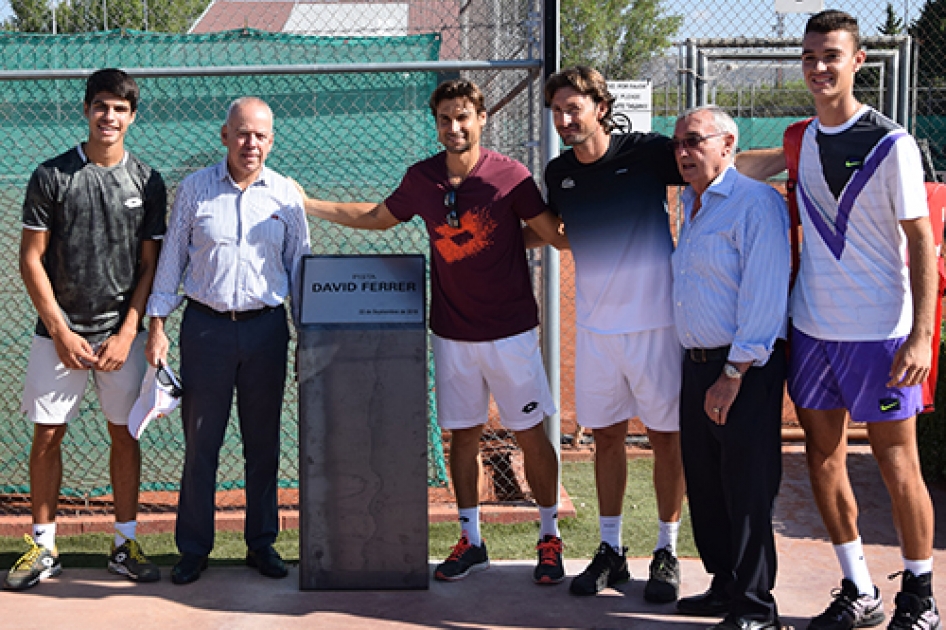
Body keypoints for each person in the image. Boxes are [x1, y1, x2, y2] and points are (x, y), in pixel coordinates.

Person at [298, 79, 569, 585]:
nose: (454, 127)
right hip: (451, 334)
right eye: (445, 118)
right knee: (462, 438)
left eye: (463, 116)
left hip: (511, 332)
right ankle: (472, 539)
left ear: (481, 118)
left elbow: (557, 234)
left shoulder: (511, 177)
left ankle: (549, 536)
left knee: (531, 434)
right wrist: (308, 203)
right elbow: (379, 218)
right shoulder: (421, 178)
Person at [790, 11, 940, 630]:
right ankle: (859, 588)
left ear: (857, 62)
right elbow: (744, 163)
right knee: (821, 458)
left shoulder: (892, 142)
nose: (819, 67)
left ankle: (920, 595)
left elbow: (922, 245)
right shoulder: (799, 139)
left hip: (879, 336)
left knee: (896, 463)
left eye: (831, 55)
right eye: (809, 57)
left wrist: (922, 334)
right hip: (811, 331)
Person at [4, 68, 166, 590]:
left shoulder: (147, 180)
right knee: (47, 436)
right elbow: (32, 259)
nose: (109, 116)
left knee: (125, 435)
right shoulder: (52, 175)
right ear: (87, 110)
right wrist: (59, 330)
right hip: (57, 336)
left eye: (120, 108)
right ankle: (44, 547)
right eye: (101, 106)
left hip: (123, 337)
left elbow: (150, 267)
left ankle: (124, 544)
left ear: (132, 116)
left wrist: (126, 333)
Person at [145, 97, 311, 585]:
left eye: (260, 135)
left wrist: (307, 337)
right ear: (224, 135)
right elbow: (171, 260)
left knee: (263, 444)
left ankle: (261, 544)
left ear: (272, 141)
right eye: (242, 133)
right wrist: (157, 326)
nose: (251, 143)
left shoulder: (285, 196)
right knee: (202, 444)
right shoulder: (195, 190)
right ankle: (194, 548)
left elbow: (300, 269)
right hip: (206, 329)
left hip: (266, 330)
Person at [542, 65, 687, 603]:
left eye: (573, 108)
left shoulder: (647, 152)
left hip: (657, 326)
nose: (564, 119)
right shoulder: (559, 174)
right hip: (597, 331)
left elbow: (712, 165)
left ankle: (667, 550)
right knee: (605, 437)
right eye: (557, 110)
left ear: (600, 107)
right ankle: (611, 551)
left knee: (665, 439)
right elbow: (556, 233)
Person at [671, 105, 789, 629]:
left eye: (695, 141)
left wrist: (733, 374)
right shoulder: (688, 202)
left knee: (746, 486)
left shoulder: (755, 203)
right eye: (678, 144)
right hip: (697, 364)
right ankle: (724, 585)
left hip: (744, 368)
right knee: (706, 481)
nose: (683, 152)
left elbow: (764, 297)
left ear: (729, 144)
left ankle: (756, 608)